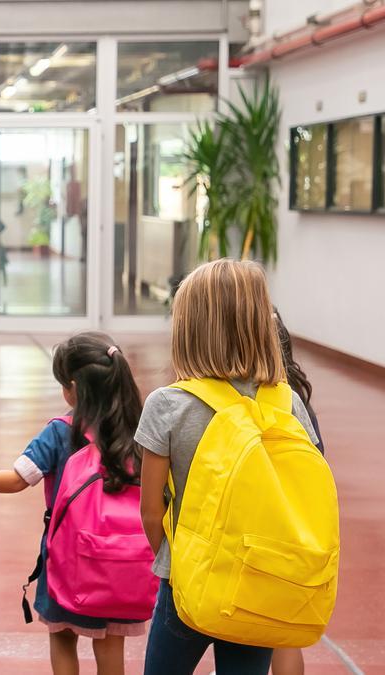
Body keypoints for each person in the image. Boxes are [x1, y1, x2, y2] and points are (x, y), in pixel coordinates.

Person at [137, 260, 322, 675]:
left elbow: (150, 509)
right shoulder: (286, 402)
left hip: (187, 580)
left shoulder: (167, 404)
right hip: (259, 580)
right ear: (261, 324)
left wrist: (173, 562)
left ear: (188, 328)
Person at [0, 332, 147, 675]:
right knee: (110, 645)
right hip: (123, 562)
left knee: (63, 636)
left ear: (73, 388)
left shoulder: (61, 432)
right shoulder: (135, 431)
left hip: (69, 558)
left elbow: (19, 478)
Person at [271, 308, 325, 675]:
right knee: (284, 634)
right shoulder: (299, 403)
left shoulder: (259, 401)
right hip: (297, 530)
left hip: (263, 527)